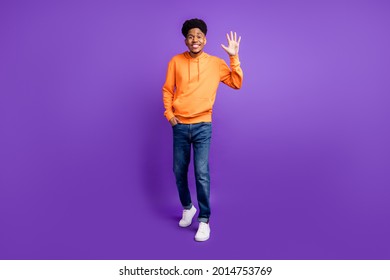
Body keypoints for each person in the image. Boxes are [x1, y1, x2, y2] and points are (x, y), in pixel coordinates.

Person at [162, 18, 243, 242]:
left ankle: (204, 220)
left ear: (205, 39)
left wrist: (233, 57)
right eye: (190, 36)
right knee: (178, 171)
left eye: (198, 35)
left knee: (201, 173)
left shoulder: (216, 63)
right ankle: (188, 207)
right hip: (179, 126)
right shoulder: (175, 61)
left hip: (203, 125)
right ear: (186, 40)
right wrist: (169, 115)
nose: (194, 39)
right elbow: (168, 89)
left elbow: (237, 83)